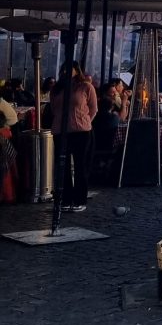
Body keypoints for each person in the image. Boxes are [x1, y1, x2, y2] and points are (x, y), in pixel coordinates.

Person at [50, 62, 98, 212]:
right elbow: (53, 107)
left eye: (69, 69)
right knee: (62, 167)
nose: (65, 71)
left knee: (80, 166)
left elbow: (93, 108)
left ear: (77, 71)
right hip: (60, 131)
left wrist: (85, 121)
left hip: (81, 131)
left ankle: (79, 199)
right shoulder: (57, 88)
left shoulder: (85, 87)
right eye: (63, 69)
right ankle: (65, 199)